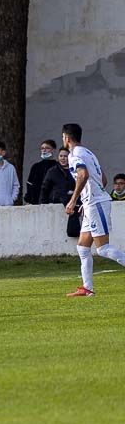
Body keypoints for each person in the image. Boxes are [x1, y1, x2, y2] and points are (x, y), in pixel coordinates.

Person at [61, 123, 125, 296]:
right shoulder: (88, 153)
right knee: (82, 247)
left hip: (96, 204)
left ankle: (88, 288)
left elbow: (83, 175)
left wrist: (73, 201)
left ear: (67, 138)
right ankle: (87, 288)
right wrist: (86, 199)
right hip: (92, 204)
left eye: (63, 137)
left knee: (102, 248)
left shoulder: (75, 155)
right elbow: (102, 179)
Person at [42, 148, 80, 237]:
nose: (63, 158)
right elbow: (45, 189)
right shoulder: (52, 171)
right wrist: (43, 204)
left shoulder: (75, 170)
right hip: (57, 201)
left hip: (74, 201)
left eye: (65, 156)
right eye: (61, 156)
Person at [24, 139, 60, 205]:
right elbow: (29, 184)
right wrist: (28, 199)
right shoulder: (36, 167)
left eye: (47, 148)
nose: (44, 150)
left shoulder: (57, 166)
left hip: (52, 202)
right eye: (42, 148)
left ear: (53, 150)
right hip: (36, 201)